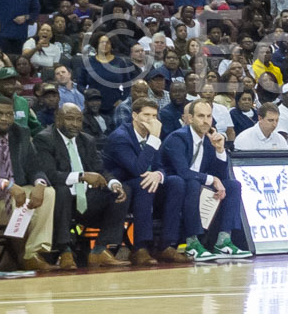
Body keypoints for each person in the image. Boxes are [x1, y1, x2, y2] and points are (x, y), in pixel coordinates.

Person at [0, 96, 57, 275]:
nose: (4, 119)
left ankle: (32, 254)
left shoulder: (21, 133)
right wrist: (6, 185)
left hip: (18, 200)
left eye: (9, 114)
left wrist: (39, 183)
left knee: (49, 192)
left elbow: (34, 166)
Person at [34, 104, 130, 270]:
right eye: (70, 118)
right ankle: (65, 251)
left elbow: (100, 170)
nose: (75, 124)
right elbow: (49, 174)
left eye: (79, 120)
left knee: (123, 191)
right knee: (62, 190)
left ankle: (100, 249)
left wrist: (113, 183)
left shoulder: (87, 140)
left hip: (86, 199)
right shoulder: (44, 139)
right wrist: (81, 176)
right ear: (58, 119)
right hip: (60, 202)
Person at [102, 98, 194, 266]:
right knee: (143, 183)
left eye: (154, 116)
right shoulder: (120, 137)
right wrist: (154, 139)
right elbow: (137, 169)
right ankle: (140, 248)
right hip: (121, 190)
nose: (151, 120)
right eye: (146, 115)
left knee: (176, 182)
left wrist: (158, 175)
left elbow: (163, 166)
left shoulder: (153, 136)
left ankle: (167, 245)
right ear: (134, 116)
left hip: (146, 187)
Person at [161, 99, 251, 260]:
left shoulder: (210, 139)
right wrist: (212, 179)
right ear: (189, 119)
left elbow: (221, 177)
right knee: (192, 183)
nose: (206, 121)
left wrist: (220, 150)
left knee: (233, 185)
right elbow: (182, 171)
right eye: (201, 116)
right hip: (172, 187)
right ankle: (192, 242)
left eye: (209, 116)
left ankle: (224, 241)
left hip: (197, 183)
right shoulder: (177, 138)